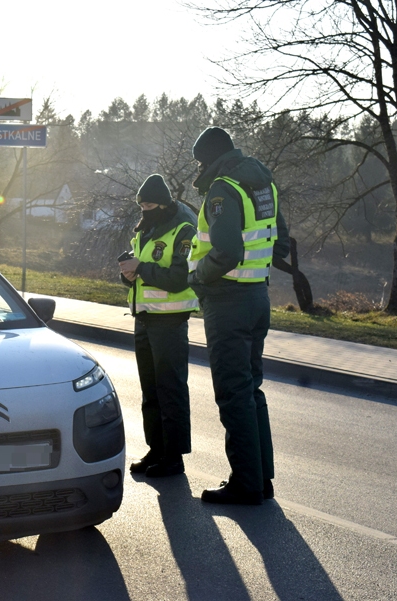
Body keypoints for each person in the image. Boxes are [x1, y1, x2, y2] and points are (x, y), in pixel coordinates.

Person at [187, 126, 290, 504]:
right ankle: (261, 479)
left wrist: (198, 276)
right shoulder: (263, 182)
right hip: (257, 297)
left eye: (200, 160)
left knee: (233, 393)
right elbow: (280, 239)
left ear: (210, 157)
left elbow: (226, 250)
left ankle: (246, 484)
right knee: (251, 389)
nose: (198, 167)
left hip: (228, 301)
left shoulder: (223, 189)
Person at [119, 174, 199, 477]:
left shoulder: (184, 229)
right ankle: (156, 449)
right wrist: (127, 273)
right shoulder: (146, 229)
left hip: (170, 320)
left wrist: (141, 269)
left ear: (164, 204)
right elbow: (141, 270)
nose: (144, 211)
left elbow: (179, 278)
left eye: (149, 205)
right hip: (144, 317)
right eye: (141, 206)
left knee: (171, 389)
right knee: (150, 390)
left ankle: (173, 458)